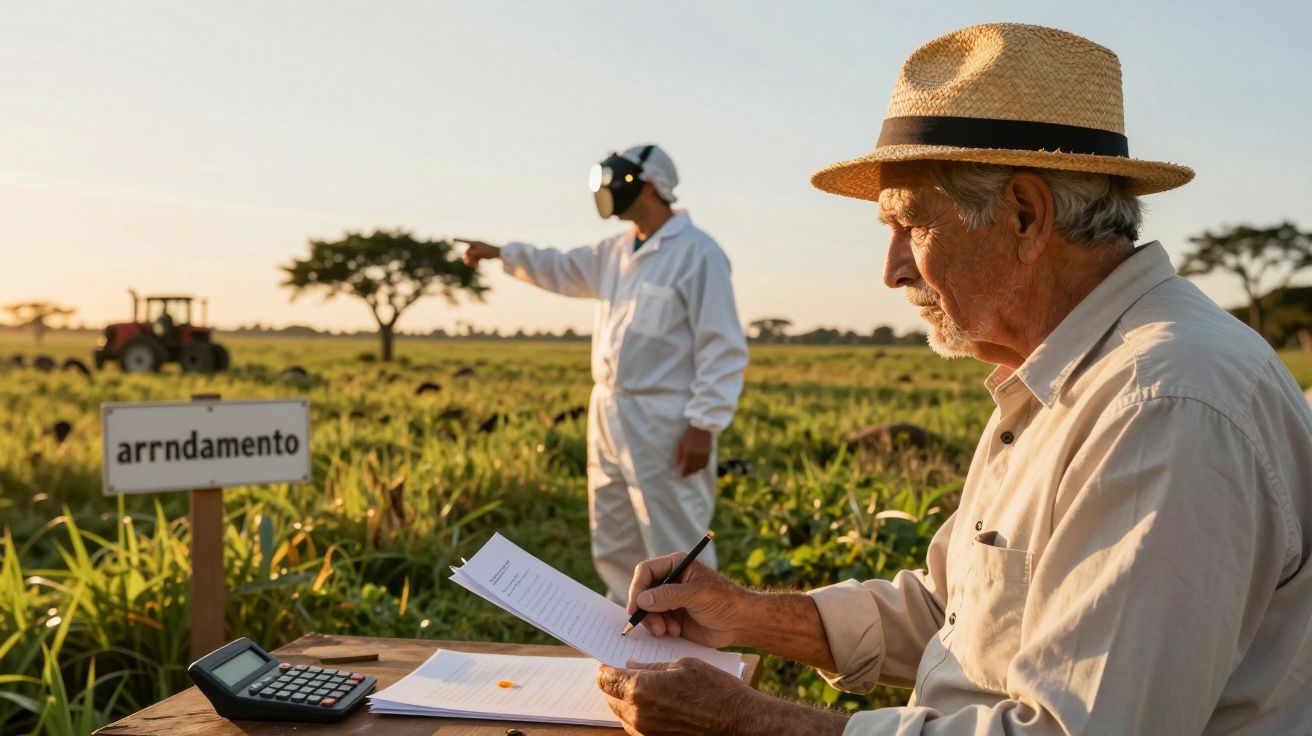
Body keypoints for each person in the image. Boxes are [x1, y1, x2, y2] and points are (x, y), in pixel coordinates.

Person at [595, 23, 1312, 735]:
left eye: (911, 225)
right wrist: (752, 614)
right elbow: (958, 611)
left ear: (1025, 216)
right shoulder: (1063, 370)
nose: (891, 269)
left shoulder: (1162, 404)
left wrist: (755, 724)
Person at [459, 145, 749, 600]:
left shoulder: (697, 253)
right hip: (609, 409)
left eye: (617, 178)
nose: (607, 188)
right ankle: (628, 626)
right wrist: (502, 253)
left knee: (672, 532)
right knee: (614, 531)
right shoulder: (614, 251)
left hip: (664, 418)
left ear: (648, 184)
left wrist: (703, 424)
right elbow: (560, 267)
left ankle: (694, 642)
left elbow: (722, 345)